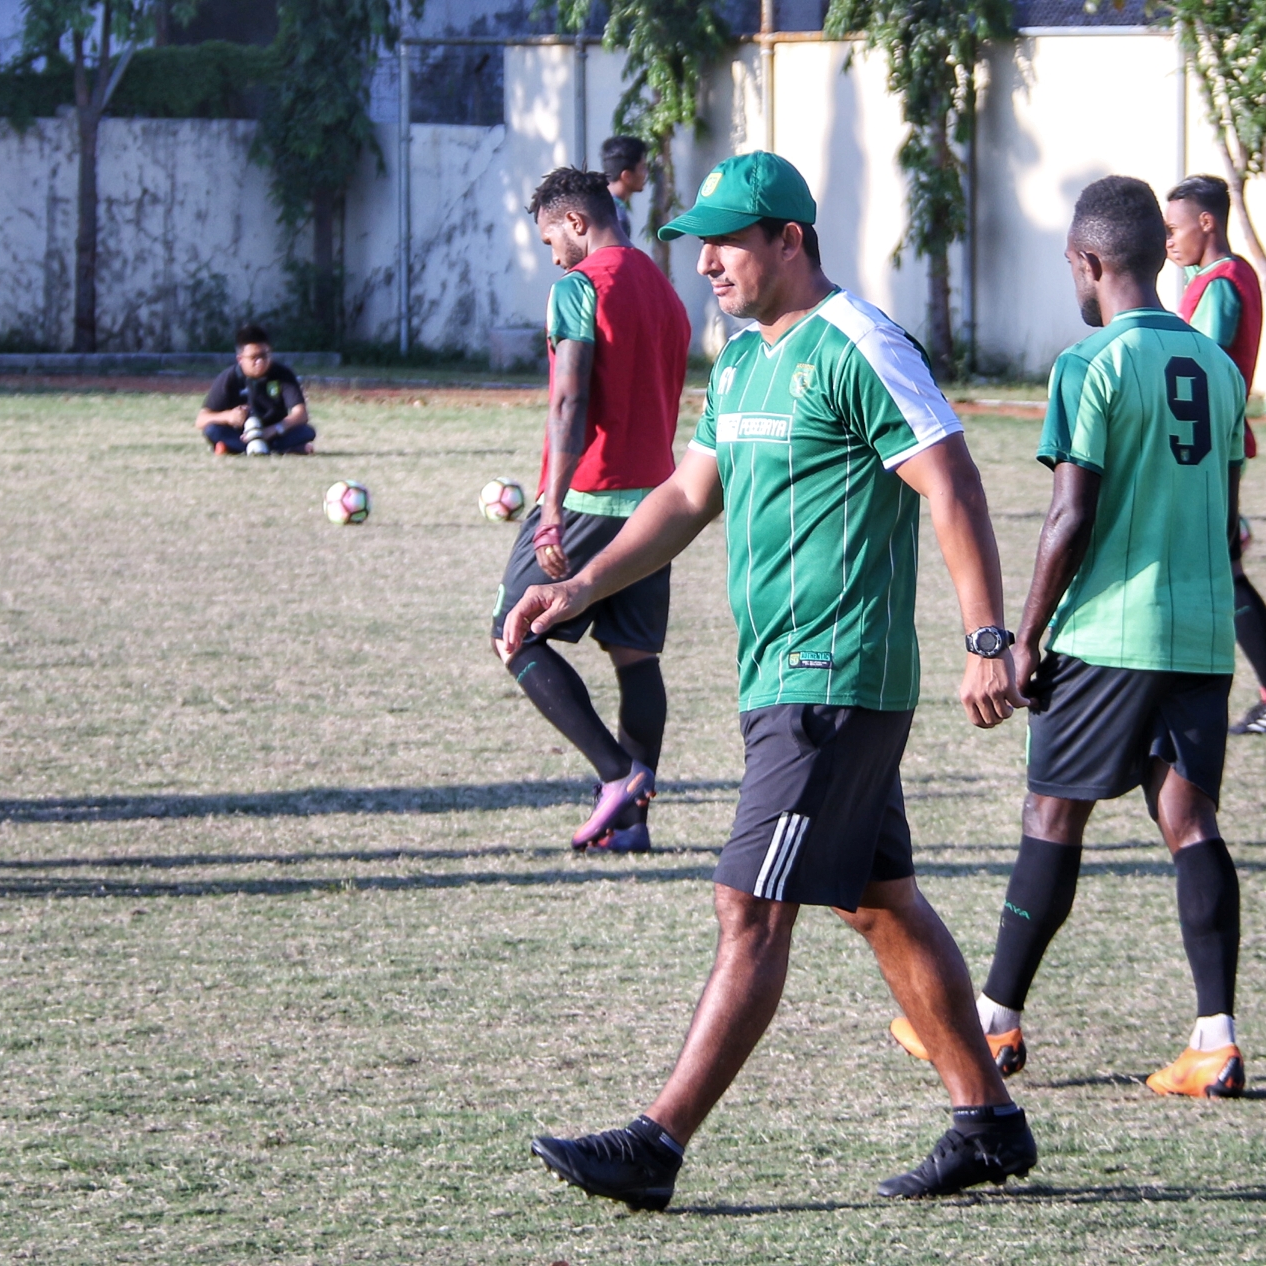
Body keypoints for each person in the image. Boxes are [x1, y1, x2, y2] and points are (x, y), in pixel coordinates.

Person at [511, 151, 1036, 1208]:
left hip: (831, 679)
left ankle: (655, 1146)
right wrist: (578, 589)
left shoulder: (859, 344)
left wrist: (988, 638)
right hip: (778, 680)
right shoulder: (747, 361)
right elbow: (684, 495)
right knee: (878, 903)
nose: (705, 262)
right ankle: (985, 1124)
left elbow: (951, 481)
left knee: (747, 908)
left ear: (788, 241)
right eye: (698, 243)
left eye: (727, 242)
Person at [888, 175, 1252, 1098]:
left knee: (1051, 815)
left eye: (1071, 268)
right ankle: (1216, 1038)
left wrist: (1023, 637)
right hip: (1202, 633)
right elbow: (1228, 515)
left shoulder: (1090, 364)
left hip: (1109, 633)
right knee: (1189, 821)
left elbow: (1069, 515)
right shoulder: (1217, 366)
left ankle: (993, 1024)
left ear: (1090, 263)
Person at [490, 167, 690, 854]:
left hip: (588, 498)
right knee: (636, 658)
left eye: (552, 238)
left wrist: (550, 509)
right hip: (657, 504)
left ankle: (616, 776)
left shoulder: (579, 288)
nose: (552, 256)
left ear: (577, 222)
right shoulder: (666, 291)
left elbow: (570, 401)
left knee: (512, 632)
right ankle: (632, 827)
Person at [1164, 174, 1266, 737]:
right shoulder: (1219, 275)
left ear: (1207, 223)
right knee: (1212, 571)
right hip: (1212, 448)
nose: (1168, 240)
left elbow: (1207, 368)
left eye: (1174, 228)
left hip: (1206, 448)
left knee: (1223, 574)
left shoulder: (1222, 283)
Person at [196, 325, 315, 455]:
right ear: (240, 359)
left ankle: (237, 448)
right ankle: (275, 449)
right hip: (241, 435)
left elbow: (301, 414)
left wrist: (274, 429)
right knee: (212, 430)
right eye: (254, 357)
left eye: (265, 356)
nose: (260, 362)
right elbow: (201, 420)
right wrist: (228, 416)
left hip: (274, 431)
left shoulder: (283, 374)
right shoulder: (229, 378)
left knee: (307, 431)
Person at [601, 135, 649, 240]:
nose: (646, 173)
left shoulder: (596, 205)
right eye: (643, 167)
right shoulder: (616, 217)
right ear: (627, 176)